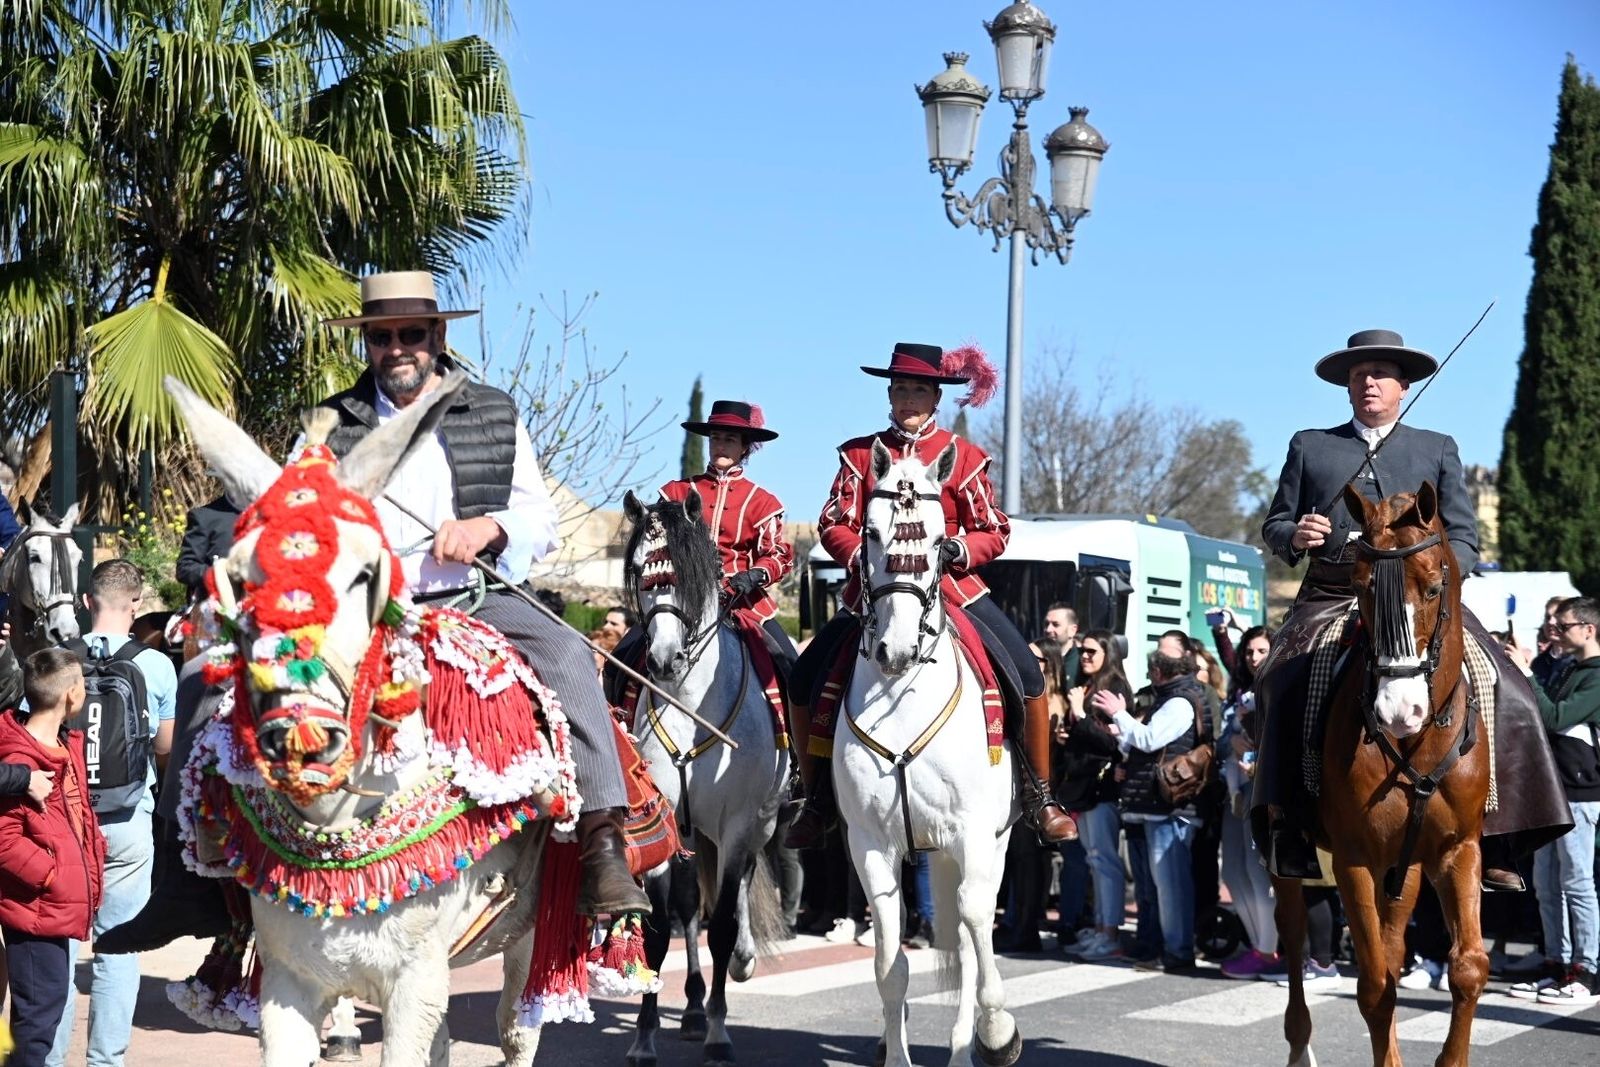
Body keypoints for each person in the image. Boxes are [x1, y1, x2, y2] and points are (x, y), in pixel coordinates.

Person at [99, 271, 650, 954]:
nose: (396, 348)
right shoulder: (330, 424)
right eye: (381, 336)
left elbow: (540, 518)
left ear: (437, 336)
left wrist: (486, 528)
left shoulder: (494, 410)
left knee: (567, 655)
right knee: (203, 677)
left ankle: (602, 847)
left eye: (410, 333)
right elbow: (291, 514)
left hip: (476, 597)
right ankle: (189, 881)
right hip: (361, 609)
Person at [1253, 328, 1570, 886]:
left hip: (1423, 597)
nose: (1368, 383)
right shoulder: (1310, 445)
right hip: (1335, 593)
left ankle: (1499, 833)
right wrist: (1295, 534)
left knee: (1508, 683)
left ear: (1403, 386)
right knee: (1279, 679)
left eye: (1380, 374)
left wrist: (1434, 576)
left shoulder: (1436, 447)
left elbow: (1465, 538)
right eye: (1358, 375)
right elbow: (1276, 523)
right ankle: (1290, 823)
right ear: (1347, 388)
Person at [785, 343, 1075, 848]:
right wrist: (859, 557)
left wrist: (960, 549)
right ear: (889, 395)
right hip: (873, 594)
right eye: (900, 389)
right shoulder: (860, 455)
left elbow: (994, 529)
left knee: (1028, 675)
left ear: (936, 397)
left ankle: (1039, 794)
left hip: (953, 590)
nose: (908, 399)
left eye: (918, 390)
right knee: (805, 677)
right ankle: (816, 800)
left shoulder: (964, 457)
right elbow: (833, 523)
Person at [47, 560, 174, 1067]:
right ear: (136, 605)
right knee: (118, 947)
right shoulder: (156, 664)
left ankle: (49, 1058)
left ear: (86, 602)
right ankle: (105, 1061)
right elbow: (165, 746)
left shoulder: (56, 661)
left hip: (66, 823)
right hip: (128, 821)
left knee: (58, 948)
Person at [0, 649, 105, 1067]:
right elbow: (5, 841)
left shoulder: (63, 745)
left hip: (53, 907)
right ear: (71, 695)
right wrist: (52, 876)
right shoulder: (22, 759)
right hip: (35, 907)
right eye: (82, 685)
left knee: (44, 1010)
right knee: (35, 1021)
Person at [652, 399, 796, 676]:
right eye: (715, 438)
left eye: (729, 440)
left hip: (742, 603)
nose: (720, 445)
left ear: (744, 447)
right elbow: (654, 543)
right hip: (680, 599)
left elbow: (777, 555)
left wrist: (755, 574)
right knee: (620, 660)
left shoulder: (763, 502)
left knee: (792, 668)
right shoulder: (674, 493)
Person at [1094, 631, 1206, 972]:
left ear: (1159, 671)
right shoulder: (1168, 698)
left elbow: (1149, 738)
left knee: (1170, 889)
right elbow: (1146, 746)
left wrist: (1119, 714)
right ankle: (1157, 947)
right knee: (1152, 888)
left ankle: (1178, 953)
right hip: (1151, 807)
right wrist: (1123, 734)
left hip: (1169, 810)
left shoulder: (1180, 701)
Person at [1507, 596, 1600, 1004]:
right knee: (1547, 885)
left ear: (1588, 630)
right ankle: (1556, 964)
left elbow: (1554, 717)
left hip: (1579, 791)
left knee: (1577, 883)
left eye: (1563, 626)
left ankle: (1587, 971)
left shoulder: (1596, 676)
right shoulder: (1570, 668)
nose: (1555, 632)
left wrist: (1527, 672)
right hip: (1551, 789)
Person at [1058, 630, 1132, 962]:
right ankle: (1101, 929)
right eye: (1083, 651)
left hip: (1103, 789)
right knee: (1094, 859)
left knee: (1105, 861)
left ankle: (1110, 934)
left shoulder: (1114, 688)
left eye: (1092, 651)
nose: (1085, 656)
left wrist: (1080, 714)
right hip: (1085, 787)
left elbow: (1113, 743)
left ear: (1108, 654)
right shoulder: (1088, 685)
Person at [1217, 626, 1282, 979]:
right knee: (1232, 872)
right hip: (1235, 791)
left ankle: (1268, 951)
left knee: (1259, 874)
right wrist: (1233, 743)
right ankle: (1259, 945)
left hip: (1263, 790)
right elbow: (1221, 740)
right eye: (1248, 652)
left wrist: (1255, 746)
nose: (1254, 658)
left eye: (1261, 651)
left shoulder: (1280, 686)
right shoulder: (1237, 691)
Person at [173, 492, 241, 601]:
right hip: (218, 604)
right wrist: (221, 572)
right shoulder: (205, 517)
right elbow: (185, 569)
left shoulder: (268, 512)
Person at [1044, 603, 1081, 684]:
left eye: (1056, 625)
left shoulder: (1083, 660)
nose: (1048, 629)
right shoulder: (1037, 657)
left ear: (1072, 630)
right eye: (1046, 624)